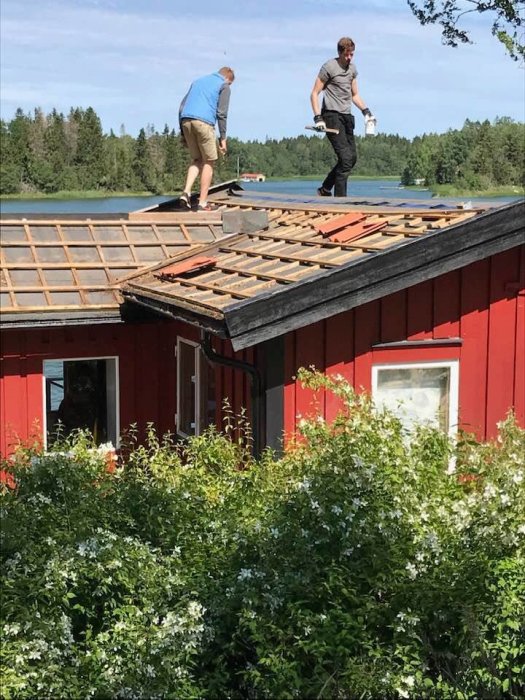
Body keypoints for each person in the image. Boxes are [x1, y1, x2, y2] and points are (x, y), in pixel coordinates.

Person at [310, 37, 375, 197]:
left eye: (351, 54)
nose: (349, 58)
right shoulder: (329, 67)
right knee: (345, 159)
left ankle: (325, 189)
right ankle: (340, 202)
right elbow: (314, 93)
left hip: (347, 117)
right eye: (346, 55)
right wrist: (318, 117)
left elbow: (355, 95)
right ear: (339, 52)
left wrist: (366, 111)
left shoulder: (352, 70)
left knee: (351, 158)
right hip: (331, 116)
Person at [178, 66, 235, 212]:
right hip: (204, 123)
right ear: (228, 78)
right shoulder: (224, 86)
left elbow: (181, 106)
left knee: (197, 160)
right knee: (209, 161)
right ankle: (203, 203)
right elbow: (222, 113)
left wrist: (182, 131)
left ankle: (186, 193)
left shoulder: (197, 82)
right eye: (230, 84)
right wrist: (223, 138)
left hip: (186, 120)